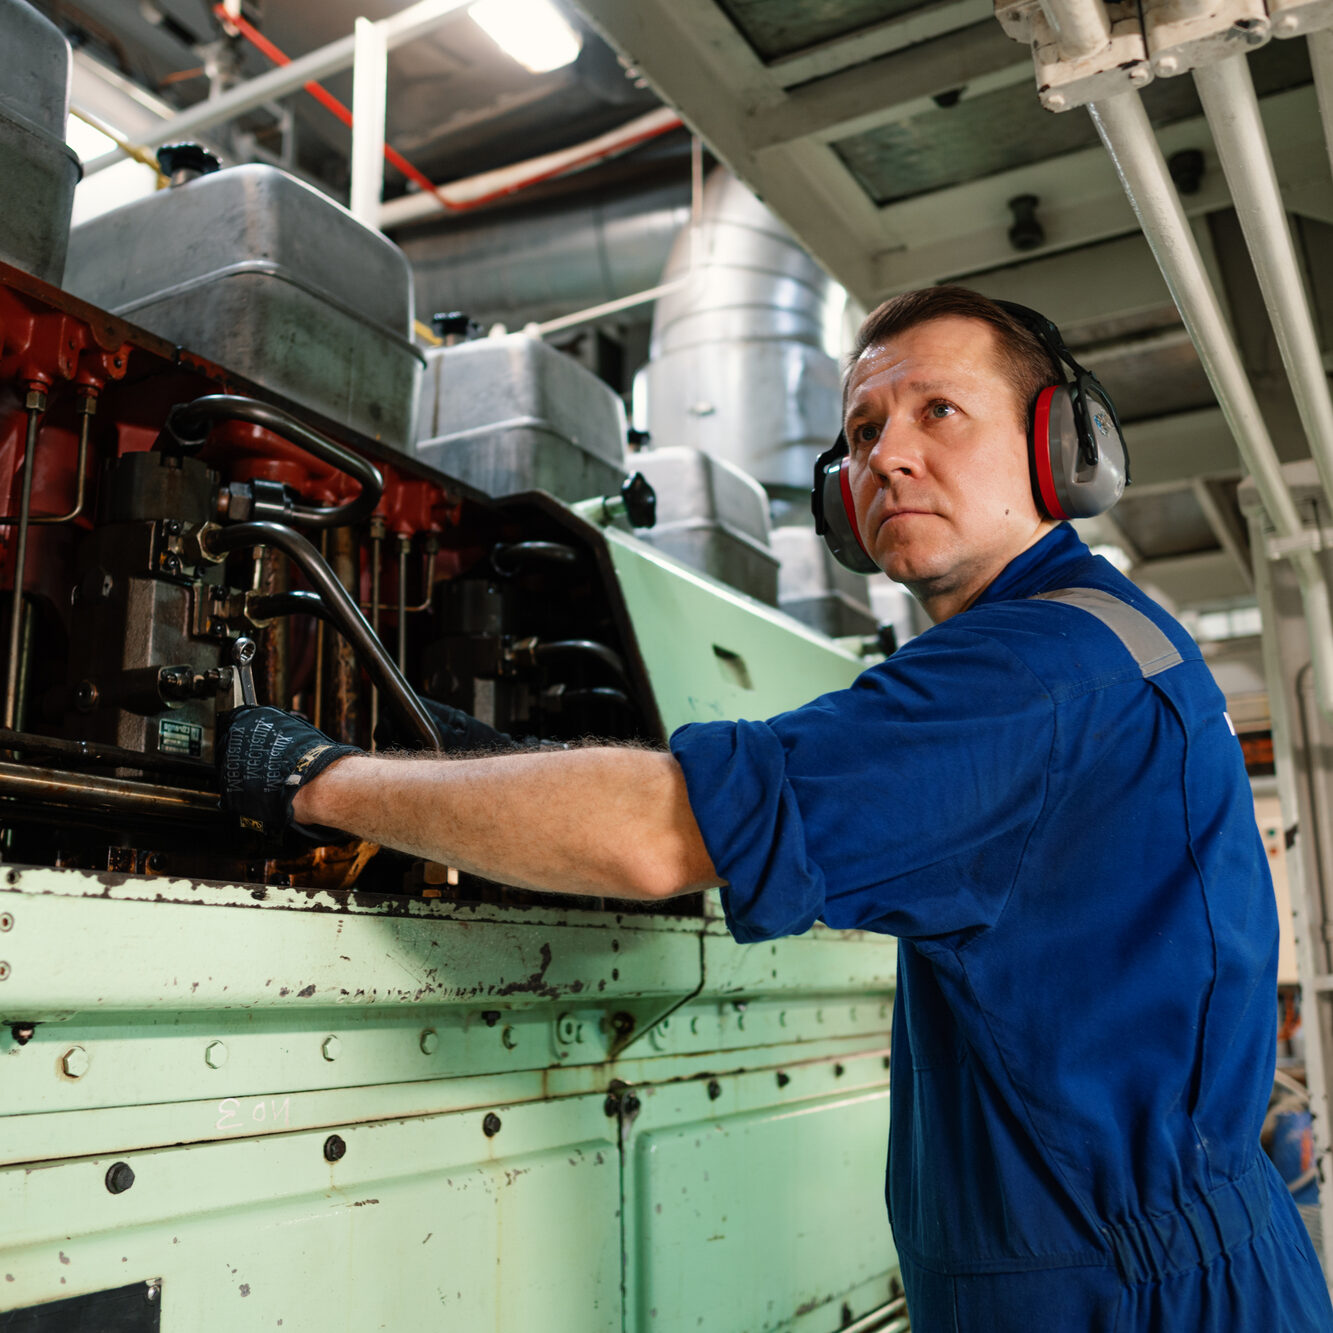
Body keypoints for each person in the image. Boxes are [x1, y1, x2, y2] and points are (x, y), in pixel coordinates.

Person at [219, 286, 1333, 1331]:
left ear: (1060, 449)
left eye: (938, 410)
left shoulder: (1033, 670)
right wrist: (477, 771)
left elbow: (658, 834)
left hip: (1127, 1299)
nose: (889, 454)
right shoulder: (1083, 636)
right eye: (860, 433)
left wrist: (318, 779)